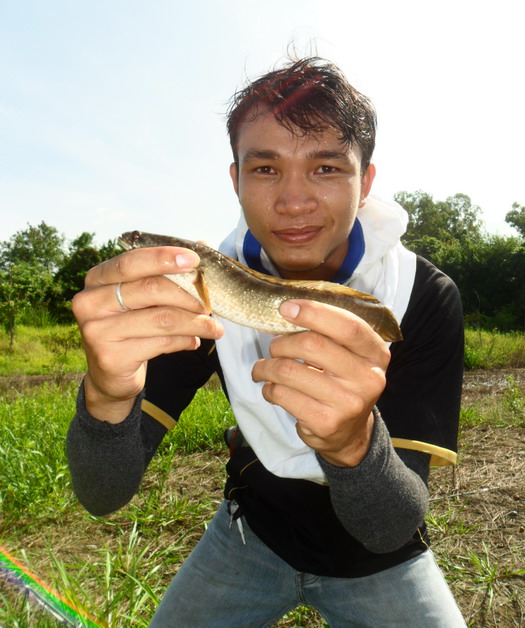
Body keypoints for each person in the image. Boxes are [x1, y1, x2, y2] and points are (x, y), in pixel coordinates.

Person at [67, 58, 466, 627]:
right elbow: (103, 495)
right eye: (265, 169)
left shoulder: (421, 295)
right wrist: (106, 396)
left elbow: (391, 526)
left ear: (366, 181)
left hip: (381, 562)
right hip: (247, 538)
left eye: (326, 167)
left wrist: (353, 445)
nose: (293, 201)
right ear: (235, 179)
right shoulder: (200, 291)